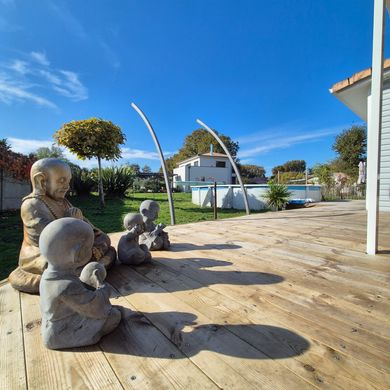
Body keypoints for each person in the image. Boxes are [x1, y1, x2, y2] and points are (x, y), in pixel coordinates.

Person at [8, 158, 116, 294]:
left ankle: (87, 269)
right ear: (41, 181)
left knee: (104, 239)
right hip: (44, 254)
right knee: (67, 261)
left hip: (74, 247)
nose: (67, 186)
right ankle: (86, 271)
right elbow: (49, 241)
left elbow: (89, 228)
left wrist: (90, 230)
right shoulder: (32, 205)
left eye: (68, 181)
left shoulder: (63, 202)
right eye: (61, 181)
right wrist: (72, 222)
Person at [39, 218, 121, 350]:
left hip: (53, 325)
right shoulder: (66, 286)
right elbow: (96, 309)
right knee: (114, 316)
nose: (92, 250)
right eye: (89, 248)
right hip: (61, 333)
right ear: (77, 254)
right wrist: (104, 290)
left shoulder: (49, 276)